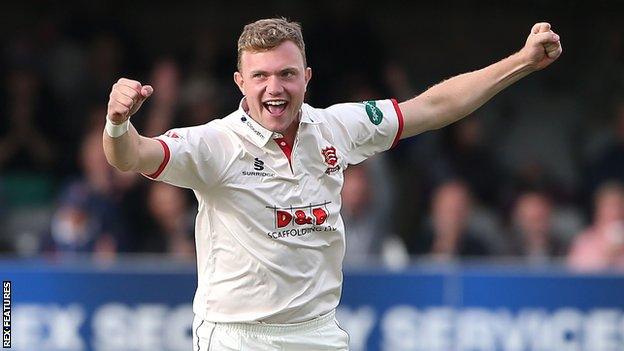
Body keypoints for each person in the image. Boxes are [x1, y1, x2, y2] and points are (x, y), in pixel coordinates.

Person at [102, 18, 561, 350]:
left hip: (318, 331)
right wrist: (118, 124)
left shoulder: (339, 126)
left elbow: (434, 107)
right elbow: (132, 157)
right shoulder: (214, 143)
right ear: (241, 82)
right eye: (260, 76)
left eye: (286, 74)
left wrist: (521, 62)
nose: (273, 87)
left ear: (307, 77)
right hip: (236, 337)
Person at [568, 181, 624, 271]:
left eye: (620, 206)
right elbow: (576, 275)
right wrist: (608, 256)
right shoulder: (585, 241)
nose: (616, 212)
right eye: (610, 206)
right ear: (598, 209)